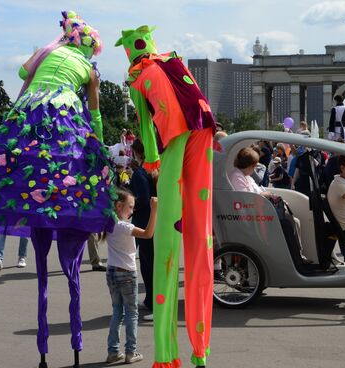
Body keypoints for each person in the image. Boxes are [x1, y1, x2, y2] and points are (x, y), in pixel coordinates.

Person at [0, 11, 114, 368]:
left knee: (18, 172)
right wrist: (99, 150)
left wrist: (51, 46)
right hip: (63, 114)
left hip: (28, 113)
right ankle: (73, 346)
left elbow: (23, 73)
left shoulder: (48, 54)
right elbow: (96, 112)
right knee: (72, 177)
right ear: (90, 49)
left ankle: (45, 353)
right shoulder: (90, 71)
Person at [116, 25, 215, 367]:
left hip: (175, 138)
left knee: (167, 248)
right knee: (200, 235)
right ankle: (200, 350)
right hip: (203, 127)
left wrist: (153, 159)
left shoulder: (138, 77)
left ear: (130, 52)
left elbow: (145, 124)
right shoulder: (173, 61)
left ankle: (167, 354)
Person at [104, 189, 157, 364]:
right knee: (132, 314)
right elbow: (148, 234)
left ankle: (113, 351)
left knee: (117, 311)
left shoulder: (109, 222)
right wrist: (154, 210)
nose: (132, 211)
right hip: (126, 272)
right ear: (119, 206)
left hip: (112, 270)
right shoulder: (124, 226)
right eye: (130, 207)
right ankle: (130, 352)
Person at [130, 138, 157, 319]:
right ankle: (150, 299)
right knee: (152, 263)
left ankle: (154, 302)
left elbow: (142, 199)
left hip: (144, 221)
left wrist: (129, 204)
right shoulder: (155, 169)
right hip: (156, 220)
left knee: (148, 264)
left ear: (138, 153)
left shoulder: (139, 173)